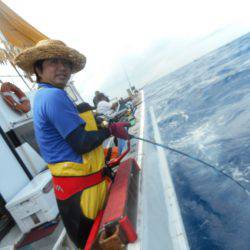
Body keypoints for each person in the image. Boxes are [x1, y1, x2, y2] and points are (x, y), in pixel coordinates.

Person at [14, 39, 130, 248]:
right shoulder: (53, 96)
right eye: (53, 62)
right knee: (96, 243)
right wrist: (110, 130)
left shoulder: (43, 95)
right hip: (82, 194)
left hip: (73, 190)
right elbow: (82, 143)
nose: (62, 68)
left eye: (66, 63)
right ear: (38, 68)